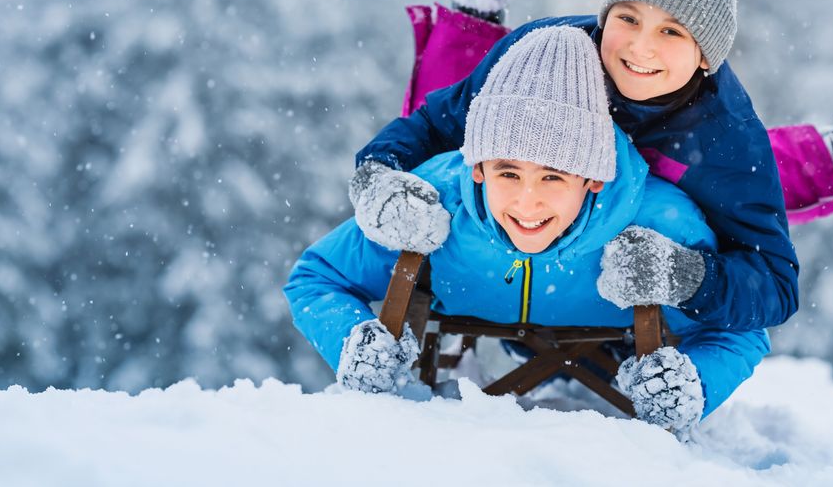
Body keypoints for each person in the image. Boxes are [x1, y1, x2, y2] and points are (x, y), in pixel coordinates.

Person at [352, 0, 812, 330]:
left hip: (617, 297)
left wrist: (685, 276)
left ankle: (812, 160)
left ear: (706, 55)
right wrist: (377, 174)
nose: (640, 46)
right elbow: (436, 123)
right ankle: (470, 26)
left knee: (745, 197)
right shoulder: (544, 52)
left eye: (672, 31)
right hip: (522, 257)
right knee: (456, 103)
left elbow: (775, 284)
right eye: (628, 18)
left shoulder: (725, 133)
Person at [285, 26, 770, 433]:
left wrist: (694, 386)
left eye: (554, 177)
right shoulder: (434, 208)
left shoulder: (658, 226)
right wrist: (352, 340)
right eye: (508, 172)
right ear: (476, 168)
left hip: (611, 337)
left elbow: (743, 330)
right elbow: (315, 276)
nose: (527, 201)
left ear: (593, 178)